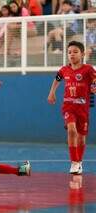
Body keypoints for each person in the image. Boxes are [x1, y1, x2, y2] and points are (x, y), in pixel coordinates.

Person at [47, 41, 96, 175]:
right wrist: (52, 92)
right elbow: (57, 79)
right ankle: (74, 162)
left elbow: (94, 81)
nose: (72, 55)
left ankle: (79, 161)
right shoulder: (64, 70)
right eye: (69, 52)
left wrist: (94, 87)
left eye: (75, 52)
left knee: (81, 136)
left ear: (82, 54)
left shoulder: (88, 69)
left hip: (83, 109)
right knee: (71, 130)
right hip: (68, 107)